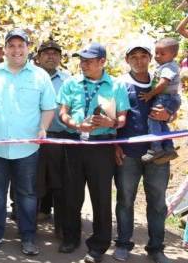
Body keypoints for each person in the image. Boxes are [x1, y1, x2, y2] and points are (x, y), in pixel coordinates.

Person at [0, 28, 56, 256]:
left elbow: (49, 107)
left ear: (28, 49)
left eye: (21, 45)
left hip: (27, 148)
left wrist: (43, 128)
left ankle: (28, 236)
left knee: (27, 194)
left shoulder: (39, 76)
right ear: (5, 48)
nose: (16, 50)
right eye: (12, 45)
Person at [57, 43, 130, 263]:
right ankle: (70, 238)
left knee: (101, 197)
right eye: (82, 60)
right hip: (74, 143)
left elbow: (122, 119)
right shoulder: (71, 83)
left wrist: (110, 122)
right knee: (71, 194)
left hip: (101, 147)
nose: (84, 64)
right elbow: (62, 113)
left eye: (89, 60)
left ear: (102, 62)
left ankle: (99, 245)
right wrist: (76, 125)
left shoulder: (116, 85)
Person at [113, 42, 174, 263]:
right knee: (125, 199)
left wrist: (168, 115)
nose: (139, 60)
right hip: (129, 153)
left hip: (159, 154)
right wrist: (115, 145)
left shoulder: (162, 82)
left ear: (150, 58)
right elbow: (113, 117)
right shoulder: (120, 84)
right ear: (127, 60)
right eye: (134, 56)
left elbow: (172, 110)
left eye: (143, 56)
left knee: (158, 202)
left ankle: (156, 248)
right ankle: (123, 244)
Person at [34, 40, 71, 237]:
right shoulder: (30, 77)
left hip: (60, 136)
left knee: (60, 184)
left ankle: (62, 229)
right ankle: (28, 229)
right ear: (38, 57)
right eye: (46, 53)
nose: (50, 56)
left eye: (55, 53)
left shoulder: (68, 80)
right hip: (34, 138)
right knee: (34, 183)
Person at [138, 38, 181, 163]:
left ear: (174, 55)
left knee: (153, 119)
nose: (158, 56)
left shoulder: (169, 67)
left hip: (166, 97)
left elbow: (163, 84)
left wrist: (149, 94)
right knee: (161, 123)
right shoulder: (164, 66)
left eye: (162, 54)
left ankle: (156, 149)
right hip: (168, 98)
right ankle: (168, 147)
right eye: (156, 53)